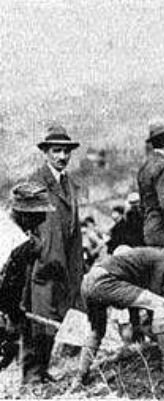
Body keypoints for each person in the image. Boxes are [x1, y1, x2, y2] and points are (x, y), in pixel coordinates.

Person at [76, 240, 164, 385]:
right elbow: (155, 299)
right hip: (104, 281)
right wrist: (163, 333)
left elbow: (136, 298)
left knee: (97, 331)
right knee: (159, 304)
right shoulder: (161, 259)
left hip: (89, 281)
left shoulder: (149, 258)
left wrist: (144, 326)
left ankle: (81, 376)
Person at [26, 125, 84, 384]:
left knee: (53, 320)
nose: (62, 156)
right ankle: (31, 375)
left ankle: (42, 369)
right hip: (43, 265)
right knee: (38, 320)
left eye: (65, 151)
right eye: (56, 151)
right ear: (46, 153)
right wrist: (38, 247)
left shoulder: (69, 184)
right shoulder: (35, 183)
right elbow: (18, 222)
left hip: (65, 264)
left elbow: (73, 227)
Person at [0, 183, 55, 377]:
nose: (43, 219)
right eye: (39, 215)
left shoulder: (4, 220)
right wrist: (14, 315)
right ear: (24, 214)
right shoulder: (21, 244)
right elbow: (8, 287)